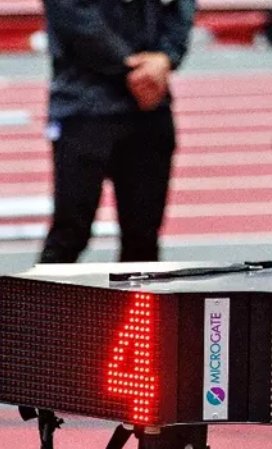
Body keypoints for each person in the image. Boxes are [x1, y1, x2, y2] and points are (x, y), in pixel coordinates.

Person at [38, 0, 195, 264]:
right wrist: (132, 66)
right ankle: (39, 306)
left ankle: (129, 305)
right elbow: (73, 18)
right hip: (84, 105)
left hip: (149, 108)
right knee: (69, 234)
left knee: (143, 240)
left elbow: (181, 8)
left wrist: (166, 57)